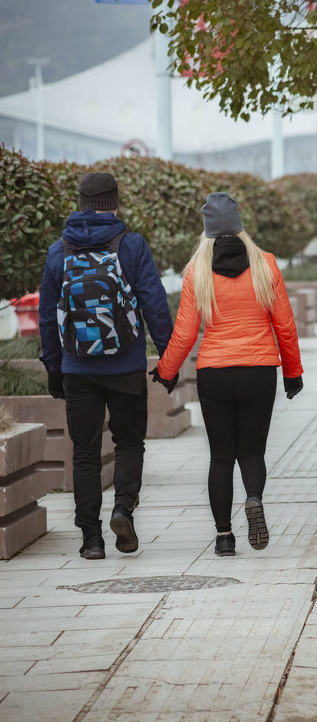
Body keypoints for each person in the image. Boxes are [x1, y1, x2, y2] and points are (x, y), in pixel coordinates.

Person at [153, 192, 303, 557]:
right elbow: (285, 323)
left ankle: (224, 536)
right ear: (240, 225)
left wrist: (166, 371)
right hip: (259, 371)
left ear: (207, 231)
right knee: (252, 452)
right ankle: (254, 498)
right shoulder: (266, 264)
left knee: (220, 457)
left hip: (215, 373)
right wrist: (293, 372)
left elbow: (186, 331)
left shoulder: (197, 271)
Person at [39, 172, 174, 560]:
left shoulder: (58, 251)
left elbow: (49, 317)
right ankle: (123, 509)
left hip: (77, 368)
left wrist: (54, 368)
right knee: (129, 441)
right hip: (126, 365)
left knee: (84, 451)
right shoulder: (129, 245)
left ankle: (91, 539)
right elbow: (154, 303)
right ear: (115, 201)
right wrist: (168, 358)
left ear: (80, 201)